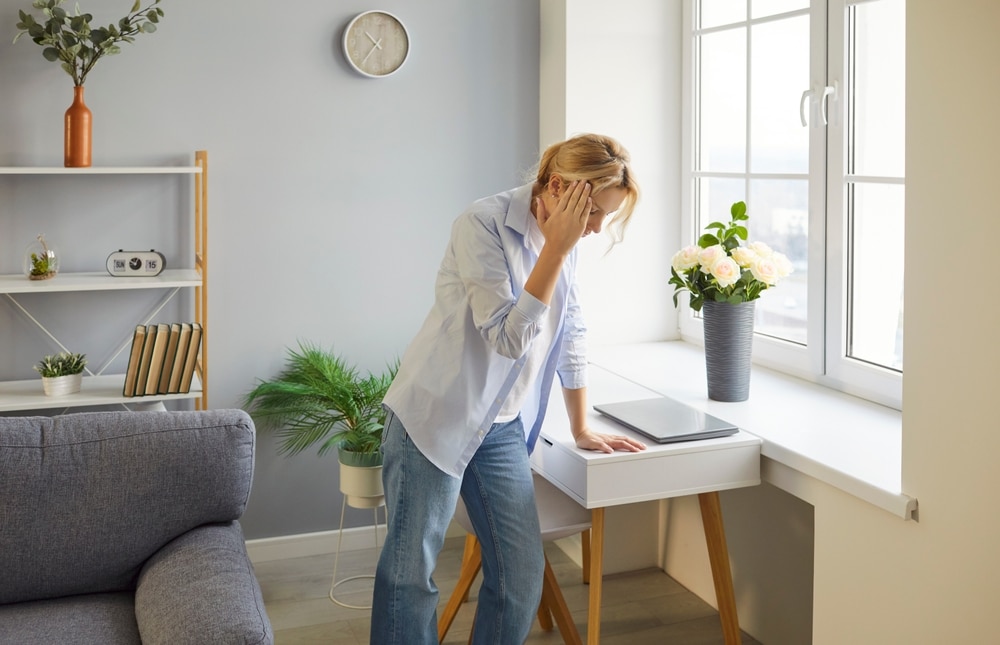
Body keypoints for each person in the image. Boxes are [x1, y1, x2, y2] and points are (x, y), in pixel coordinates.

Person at [370, 133, 646, 645]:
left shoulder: (570, 245)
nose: (596, 228)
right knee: (410, 575)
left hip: (499, 426)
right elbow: (506, 336)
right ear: (560, 187)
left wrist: (582, 424)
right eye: (593, 214)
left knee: (520, 574)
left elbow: (572, 331)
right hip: (435, 417)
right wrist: (556, 250)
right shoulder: (482, 223)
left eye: (605, 216)